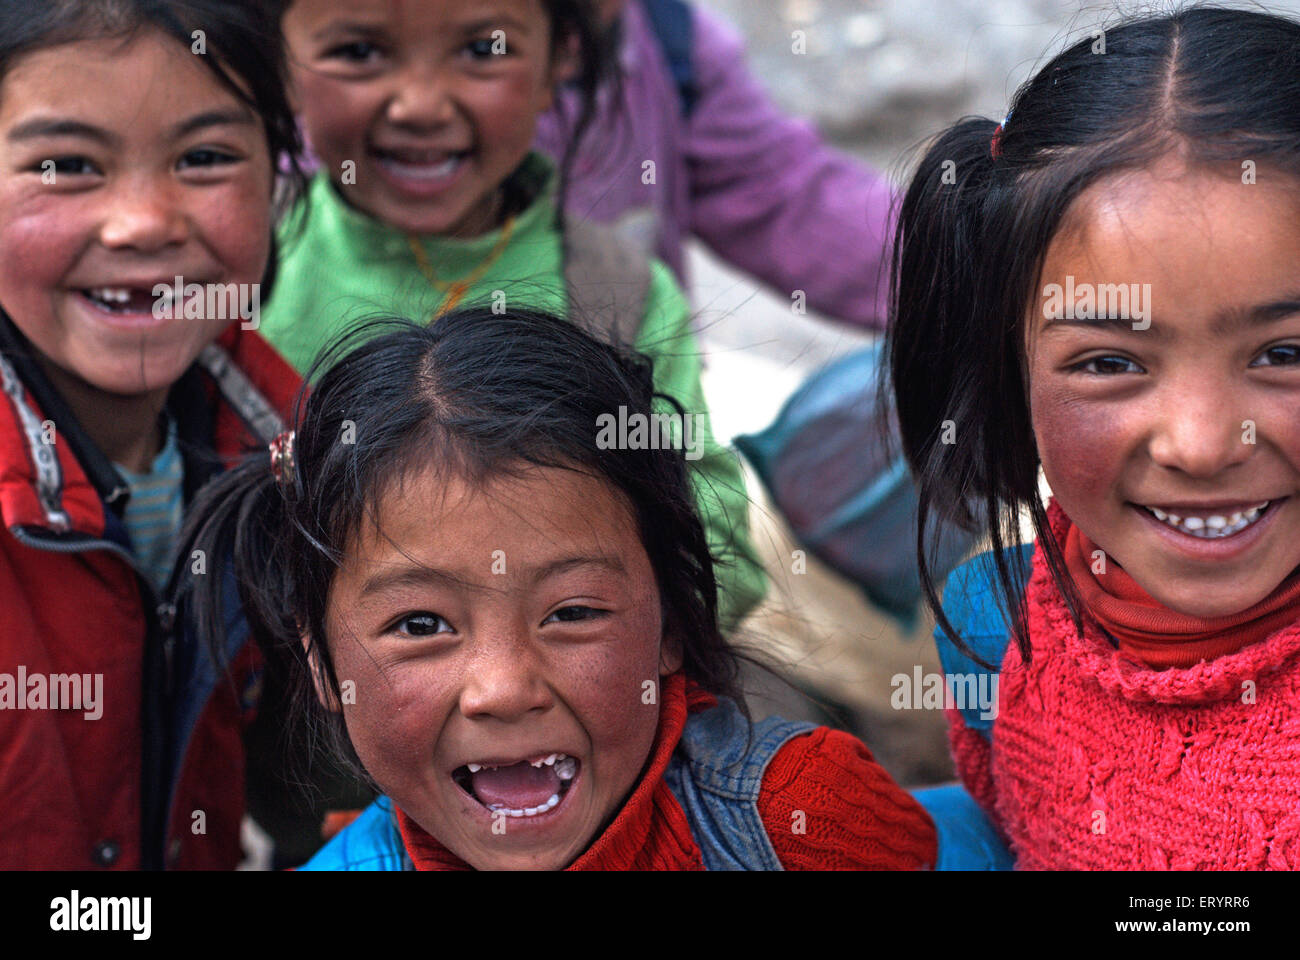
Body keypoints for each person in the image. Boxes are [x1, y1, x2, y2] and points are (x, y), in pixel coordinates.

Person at [180, 307, 938, 870]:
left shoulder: (806, 819)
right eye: (419, 626)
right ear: (322, 664)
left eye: (572, 613)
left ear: (671, 621)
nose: (504, 689)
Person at [889, 6, 1300, 869]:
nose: (1199, 443)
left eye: (1283, 353)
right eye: (1111, 362)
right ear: (1008, 369)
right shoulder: (1001, 624)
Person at [262, 0, 763, 633]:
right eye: (359, 53)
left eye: (484, 50)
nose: (421, 105)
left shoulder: (612, 290)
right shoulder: (243, 273)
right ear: (278, 62)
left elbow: (720, 559)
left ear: (562, 59)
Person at [0, 0, 302, 868]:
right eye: (66, 164)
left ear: (278, 179)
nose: (143, 221)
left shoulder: (300, 454)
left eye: (204, 157)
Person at [537, 0, 896, 329]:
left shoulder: (672, 41)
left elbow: (786, 195)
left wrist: (942, 250)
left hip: (637, 378)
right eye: (480, 49)